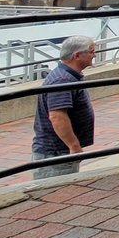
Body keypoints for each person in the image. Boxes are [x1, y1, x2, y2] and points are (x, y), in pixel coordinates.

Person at [31, 35, 97, 179]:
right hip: (56, 152)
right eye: (91, 52)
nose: (94, 55)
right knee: (54, 191)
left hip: (59, 150)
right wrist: (73, 146)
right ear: (77, 56)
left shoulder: (68, 76)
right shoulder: (63, 80)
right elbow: (57, 116)